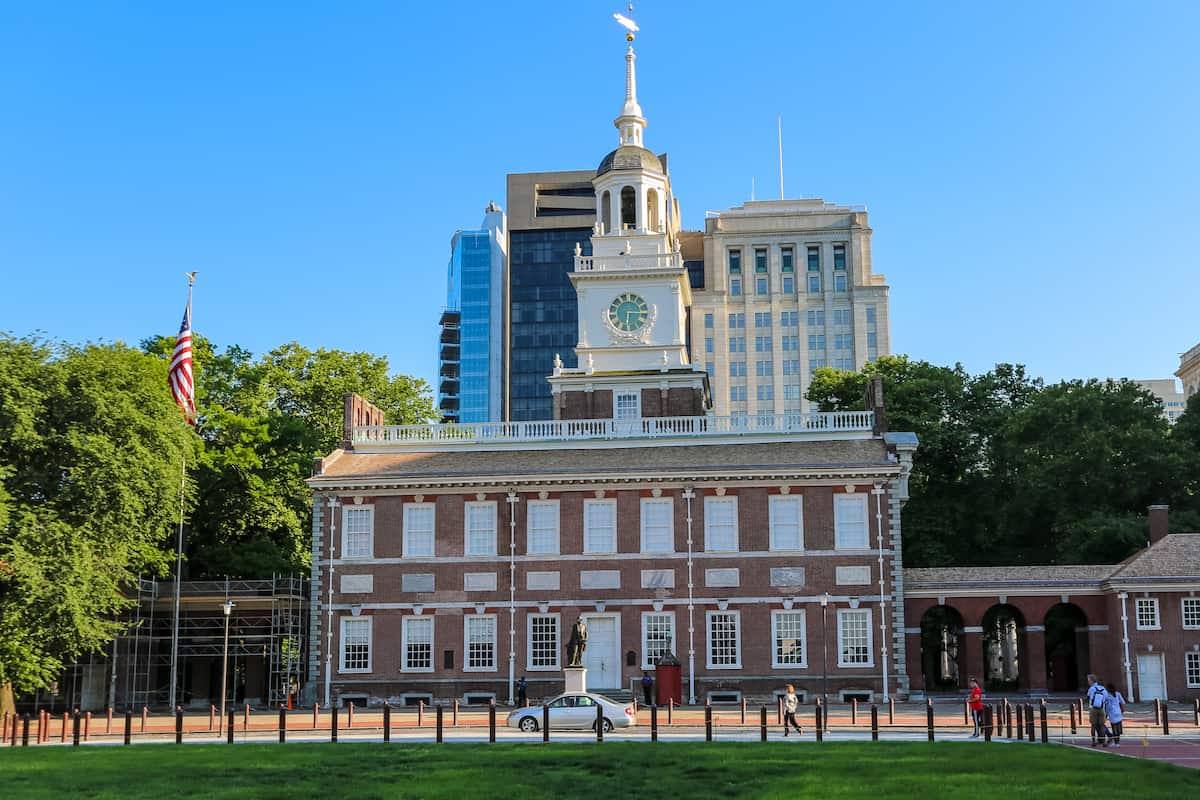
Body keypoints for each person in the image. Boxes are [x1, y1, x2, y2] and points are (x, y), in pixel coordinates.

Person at [1086, 674, 1108, 747]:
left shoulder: (1091, 688)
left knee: (1093, 726)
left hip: (1093, 708)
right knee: (1102, 726)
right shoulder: (1104, 689)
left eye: (1089, 680)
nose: (1088, 682)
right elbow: (1106, 699)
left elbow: (1088, 697)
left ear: (1092, 681)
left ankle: (1093, 741)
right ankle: (1104, 742)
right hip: (1101, 709)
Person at [1104, 682, 1125, 747]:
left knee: (1114, 728)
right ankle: (1117, 742)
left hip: (1112, 713)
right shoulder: (1118, 694)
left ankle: (1116, 743)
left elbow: (1107, 707)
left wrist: (1106, 715)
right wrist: (1122, 710)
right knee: (1118, 729)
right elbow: (1123, 702)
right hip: (1118, 712)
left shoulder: (1107, 695)